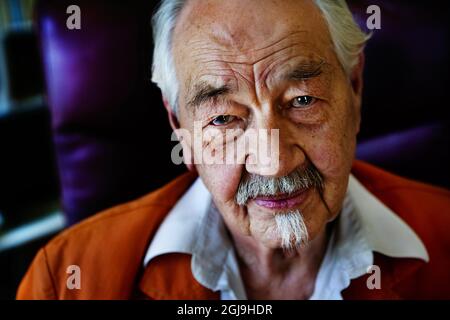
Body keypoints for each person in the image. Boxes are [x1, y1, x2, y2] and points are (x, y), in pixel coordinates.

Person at [17, 0, 450, 299]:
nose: (274, 162)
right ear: (180, 127)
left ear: (354, 89)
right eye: (224, 118)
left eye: (302, 100)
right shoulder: (66, 281)